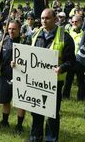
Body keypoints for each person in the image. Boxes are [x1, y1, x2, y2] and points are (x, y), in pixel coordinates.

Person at [27, 8, 75, 142]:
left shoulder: (65, 37)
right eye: (42, 18)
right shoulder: (35, 34)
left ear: (55, 19)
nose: (44, 21)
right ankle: (35, 137)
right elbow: (27, 54)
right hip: (36, 79)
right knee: (36, 109)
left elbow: (71, 61)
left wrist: (61, 68)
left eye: (47, 18)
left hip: (54, 82)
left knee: (51, 112)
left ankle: (50, 138)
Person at [0, 20, 26, 133]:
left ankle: (19, 125)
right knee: (5, 100)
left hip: (22, 77)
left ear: (19, 30)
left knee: (21, 102)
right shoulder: (3, 41)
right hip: (5, 76)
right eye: (9, 29)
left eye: (14, 29)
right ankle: (5, 121)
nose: (11, 31)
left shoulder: (25, 42)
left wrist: (19, 63)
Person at [63, 15, 85, 100]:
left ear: (81, 22)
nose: (74, 23)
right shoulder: (68, 33)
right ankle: (65, 96)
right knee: (68, 79)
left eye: (76, 21)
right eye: (72, 22)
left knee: (81, 81)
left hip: (80, 60)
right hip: (70, 60)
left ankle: (81, 97)